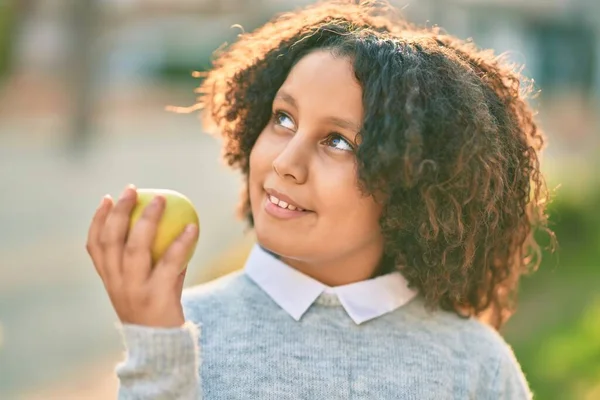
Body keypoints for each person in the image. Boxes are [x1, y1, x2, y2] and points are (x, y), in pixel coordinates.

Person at [85, 1, 554, 398]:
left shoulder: (475, 365)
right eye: (283, 119)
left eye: (339, 142)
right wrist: (157, 352)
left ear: (416, 184)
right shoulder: (178, 329)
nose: (286, 161)